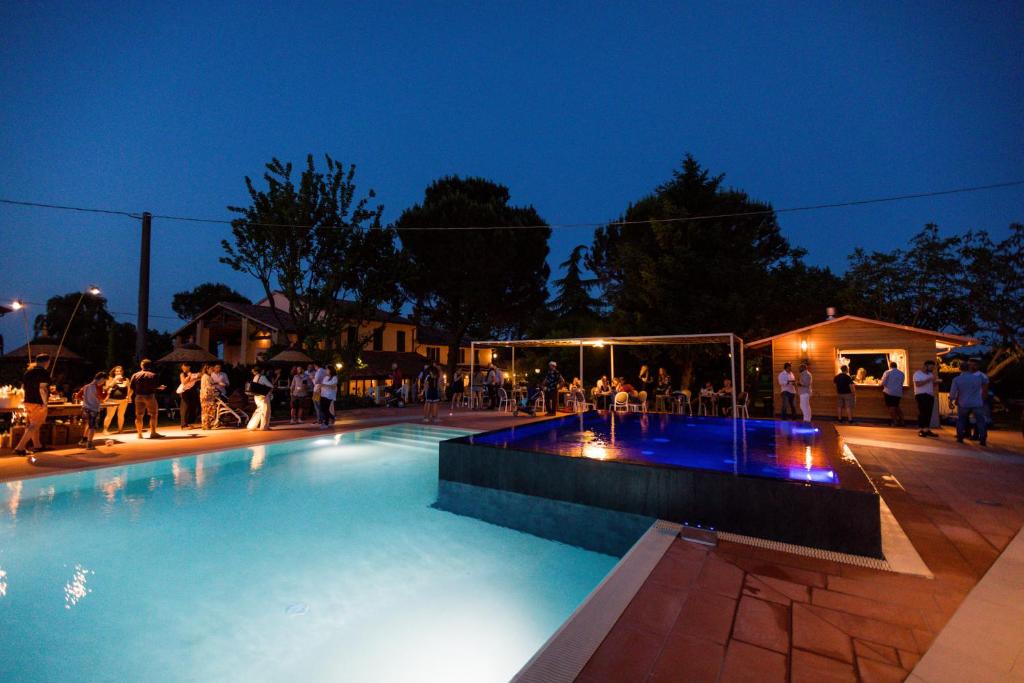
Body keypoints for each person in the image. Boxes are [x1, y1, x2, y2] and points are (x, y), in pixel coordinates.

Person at [14, 353, 52, 456]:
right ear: (46, 362)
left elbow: (24, 387)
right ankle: (20, 447)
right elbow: (42, 389)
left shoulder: (28, 372)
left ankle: (37, 445)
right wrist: (44, 403)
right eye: (49, 362)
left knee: (33, 424)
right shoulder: (43, 373)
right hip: (38, 402)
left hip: (27, 401)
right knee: (35, 425)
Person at [949, 358, 988, 446]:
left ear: (960, 369)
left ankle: (960, 438)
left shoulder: (957, 379)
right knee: (980, 421)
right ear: (969, 368)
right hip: (977, 402)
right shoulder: (979, 378)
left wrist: (951, 401)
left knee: (961, 420)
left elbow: (953, 393)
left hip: (963, 403)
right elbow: (985, 386)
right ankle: (982, 439)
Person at [129, 359, 165, 439]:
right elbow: (156, 386)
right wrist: (161, 387)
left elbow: (131, 388)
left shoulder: (135, 375)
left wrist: (129, 397)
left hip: (138, 397)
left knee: (139, 416)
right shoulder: (153, 375)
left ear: (141, 366)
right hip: (150, 396)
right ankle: (153, 433)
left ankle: (139, 434)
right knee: (153, 414)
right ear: (150, 366)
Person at [75, 372, 108, 449]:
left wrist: (86, 400)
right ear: (101, 379)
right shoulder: (97, 387)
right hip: (93, 409)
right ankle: (89, 444)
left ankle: (83, 440)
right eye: (104, 381)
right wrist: (107, 391)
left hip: (85, 408)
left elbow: (77, 396)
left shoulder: (86, 386)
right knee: (92, 427)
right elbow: (102, 398)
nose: (103, 383)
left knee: (89, 424)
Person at [913, 359, 939, 438]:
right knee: (923, 412)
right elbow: (918, 384)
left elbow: (932, 385)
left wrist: (935, 382)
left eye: (933, 368)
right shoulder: (917, 374)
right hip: (921, 395)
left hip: (930, 395)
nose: (932, 369)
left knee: (929, 413)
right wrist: (928, 380)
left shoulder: (930, 375)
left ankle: (926, 429)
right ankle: (921, 430)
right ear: (925, 366)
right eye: (931, 367)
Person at [102, 365, 130, 434]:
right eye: (117, 371)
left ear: (122, 372)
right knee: (110, 415)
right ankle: (105, 430)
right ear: (114, 372)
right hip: (112, 400)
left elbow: (129, 389)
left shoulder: (126, 379)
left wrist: (128, 396)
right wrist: (114, 380)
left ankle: (120, 430)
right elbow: (106, 388)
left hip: (123, 400)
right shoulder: (110, 379)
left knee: (121, 415)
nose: (119, 372)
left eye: (120, 371)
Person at [246, 366, 273, 431]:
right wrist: (270, 393)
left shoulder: (255, 377)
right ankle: (264, 427)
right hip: (263, 396)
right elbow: (270, 386)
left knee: (259, 410)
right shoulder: (262, 377)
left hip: (256, 396)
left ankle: (251, 426)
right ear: (262, 371)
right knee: (266, 411)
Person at [880, 361, 906, 426]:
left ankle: (895, 422)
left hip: (889, 392)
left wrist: (881, 384)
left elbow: (882, 383)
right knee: (897, 407)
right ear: (896, 366)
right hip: (898, 393)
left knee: (891, 408)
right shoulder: (902, 373)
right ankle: (902, 421)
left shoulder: (887, 372)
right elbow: (901, 383)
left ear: (890, 366)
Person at [177, 363, 201, 429]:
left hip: (191, 392)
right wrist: (189, 376)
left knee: (190, 407)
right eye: (182, 366)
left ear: (189, 367)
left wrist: (197, 376)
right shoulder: (182, 374)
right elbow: (183, 382)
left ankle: (187, 424)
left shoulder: (192, 373)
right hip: (184, 392)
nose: (183, 367)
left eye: (184, 366)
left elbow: (199, 378)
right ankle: (183, 425)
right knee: (184, 407)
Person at [200, 364, 219, 430]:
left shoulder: (207, 376)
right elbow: (208, 387)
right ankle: (206, 425)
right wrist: (214, 388)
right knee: (207, 411)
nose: (212, 371)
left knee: (208, 410)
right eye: (211, 369)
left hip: (208, 396)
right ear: (207, 369)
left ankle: (207, 424)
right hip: (207, 396)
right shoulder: (205, 377)